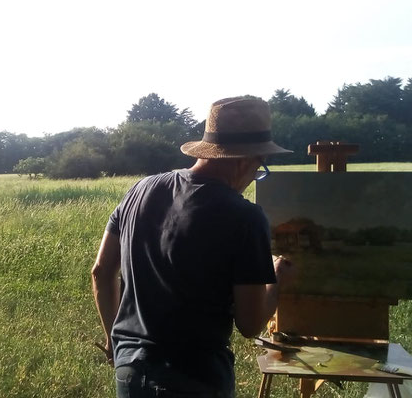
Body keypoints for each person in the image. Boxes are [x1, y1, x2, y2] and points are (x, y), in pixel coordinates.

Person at [91, 97, 296, 397]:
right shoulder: (245, 217)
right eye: (259, 168)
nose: (255, 177)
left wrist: (114, 339)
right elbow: (250, 324)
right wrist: (278, 283)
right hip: (196, 378)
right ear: (244, 160)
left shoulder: (140, 189)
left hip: (130, 373)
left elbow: (100, 272)